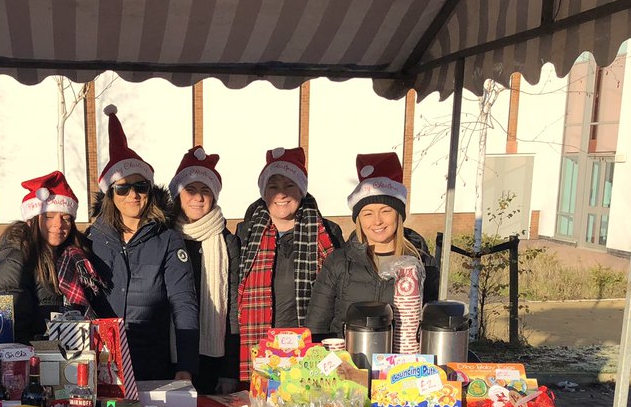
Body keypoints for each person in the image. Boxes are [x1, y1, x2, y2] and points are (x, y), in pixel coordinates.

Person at [86, 106, 199, 381]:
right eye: (123, 188)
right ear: (111, 194)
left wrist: (186, 365)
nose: (132, 195)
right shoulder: (91, 238)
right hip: (102, 361)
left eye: (141, 187)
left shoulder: (168, 239)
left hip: (151, 361)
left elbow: (183, 302)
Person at [306, 153, 440, 340]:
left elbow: (433, 327)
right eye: (368, 213)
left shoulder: (421, 262)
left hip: (402, 367)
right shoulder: (339, 262)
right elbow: (316, 325)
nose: (377, 221)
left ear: (398, 215)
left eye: (386, 211)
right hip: (346, 363)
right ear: (358, 219)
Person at [235, 147, 342, 380]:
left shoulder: (327, 233)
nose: (281, 195)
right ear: (264, 192)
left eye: (289, 186)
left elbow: (337, 296)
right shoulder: (245, 234)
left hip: (309, 350)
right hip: (260, 350)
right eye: (273, 186)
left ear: (301, 190)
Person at [0, 171, 110, 344]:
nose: (58, 225)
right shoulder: (15, 257)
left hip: (61, 351)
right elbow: (10, 323)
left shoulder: (70, 256)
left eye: (66, 218)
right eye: (49, 217)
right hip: (31, 358)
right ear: (31, 219)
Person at [169, 146, 241, 394]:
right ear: (178, 194)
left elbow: (233, 309)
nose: (198, 198)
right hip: (169, 354)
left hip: (212, 358)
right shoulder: (165, 237)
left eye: (205, 191)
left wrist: (229, 371)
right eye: (191, 190)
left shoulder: (227, 241)